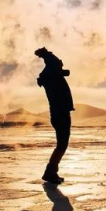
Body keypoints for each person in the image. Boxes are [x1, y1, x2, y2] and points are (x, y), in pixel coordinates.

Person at [35, 47, 74, 184]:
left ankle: (51, 172)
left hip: (60, 112)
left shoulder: (51, 75)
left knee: (62, 144)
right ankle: (50, 172)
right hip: (60, 113)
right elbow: (54, 65)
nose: (61, 64)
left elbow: (55, 67)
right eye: (59, 64)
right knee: (62, 145)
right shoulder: (52, 76)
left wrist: (61, 70)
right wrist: (47, 55)